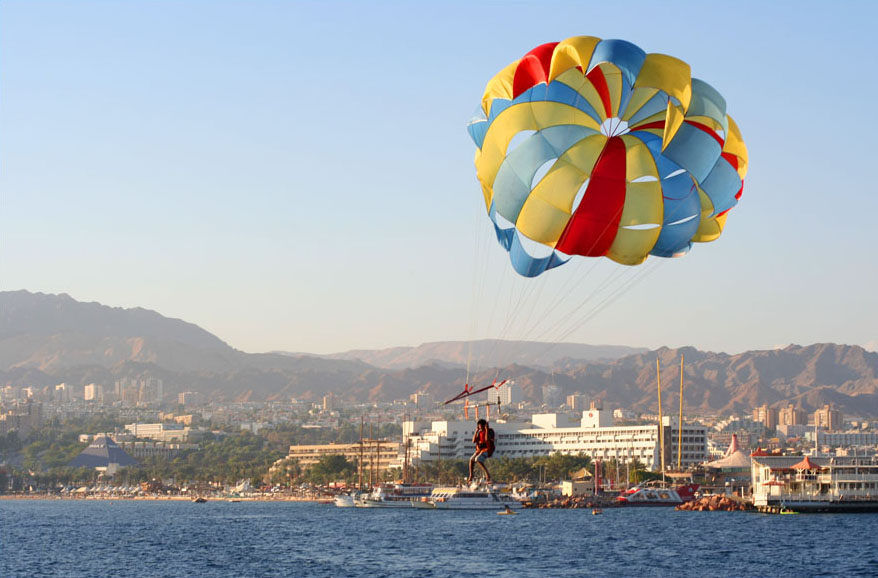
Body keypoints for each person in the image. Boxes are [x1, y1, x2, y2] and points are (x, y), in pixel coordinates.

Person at [467, 418, 492, 484]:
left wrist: (486, 430)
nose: (480, 428)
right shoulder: (479, 432)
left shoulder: (489, 432)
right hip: (479, 450)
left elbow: (486, 440)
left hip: (487, 450)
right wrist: (476, 431)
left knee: (477, 459)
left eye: (481, 427)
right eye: (479, 427)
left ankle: (487, 474)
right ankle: (471, 475)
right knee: (471, 459)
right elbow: (473, 441)